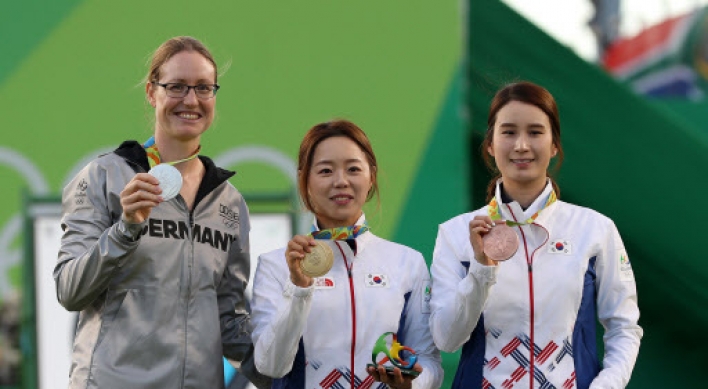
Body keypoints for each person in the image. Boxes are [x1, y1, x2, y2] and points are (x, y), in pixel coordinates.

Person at [55, 36, 255, 389]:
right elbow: (70, 291)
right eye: (176, 86)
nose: (191, 100)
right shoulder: (105, 177)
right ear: (152, 92)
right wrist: (125, 229)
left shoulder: (229, 202)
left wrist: (297, 373)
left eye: (204, 88)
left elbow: (230, 323)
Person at [429, 81, 642, 389]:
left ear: (554, 144)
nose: (521, 145)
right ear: (490, 144)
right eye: (509, 132)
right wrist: (481, 270)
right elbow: (446, 339)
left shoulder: (594, 229)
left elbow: (624, 327)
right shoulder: (455, 234)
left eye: (535, 132)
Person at [250, 120, 443, 389]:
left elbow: (429, 362)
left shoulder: (407, 263)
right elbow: (271, 365)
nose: (341, 181)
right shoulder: (276, 266)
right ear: (304, 180)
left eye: (353, 169)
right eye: (326, 171)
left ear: (371, 176)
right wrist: (299, 289)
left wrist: (412, 384)